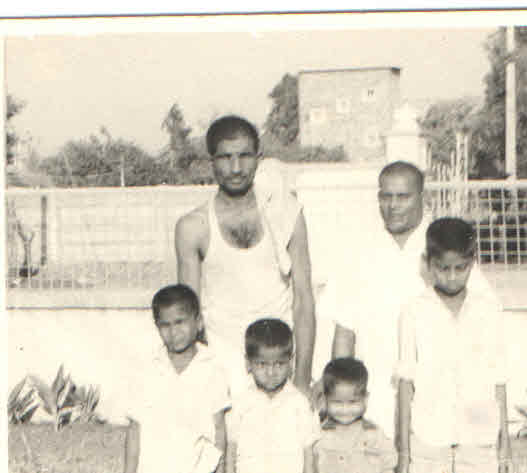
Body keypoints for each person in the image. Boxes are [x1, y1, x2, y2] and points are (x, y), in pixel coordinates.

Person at [175, 115, 315, 393]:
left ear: (258, 158)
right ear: (211, 161)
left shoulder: (286, 213)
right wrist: (202, 381)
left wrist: (301, 380)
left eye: (244, 156)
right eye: (225, 157)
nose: (236, 168)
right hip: (223, 365)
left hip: (279, 361)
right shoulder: (193, 227)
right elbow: (188, 314)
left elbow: (303, 300)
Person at [322, 160, 429, 440]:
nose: (393, 206)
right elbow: (344, 333)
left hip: (430, 393)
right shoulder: (358, 251)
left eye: (403, 197)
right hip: (372, 396)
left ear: (422, 197)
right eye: (386, 196)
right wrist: (340, 395)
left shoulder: (439, 247)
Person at [395, 217, 509, 473]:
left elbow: (499, 380)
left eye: (461, 268)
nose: (452, 277)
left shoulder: (488, 309)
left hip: (479, 441)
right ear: (427, 263)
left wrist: (504, 450)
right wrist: (404, 453)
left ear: (472, 263)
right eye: (443, 268)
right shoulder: (414, 312)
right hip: (429, 441)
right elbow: (405, 384)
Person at [124, 284, 230, 473]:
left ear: (198, 322)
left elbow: (219, 431)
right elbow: (134, 431)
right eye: (165, 325)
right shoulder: (148, 370)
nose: (174, 332)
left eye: (180, 322)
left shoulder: (212, 369)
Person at [225, 318, 320, 473]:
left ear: (291, 362)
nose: (271, 373)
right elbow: (231, 449)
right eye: (262, 364)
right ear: (248, 363)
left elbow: (309, 453)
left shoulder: (300, 403)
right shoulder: (240, 403)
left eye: (279, 364)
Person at [314, 357, 397, 473]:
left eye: (352, 402)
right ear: (325, 399)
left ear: (365, 399)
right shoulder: (318, 436)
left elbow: (389, 464)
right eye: (337, 402)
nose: (345, 410)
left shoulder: (374, 434)